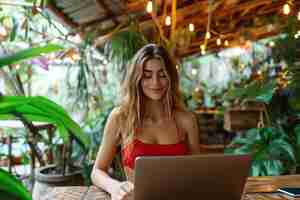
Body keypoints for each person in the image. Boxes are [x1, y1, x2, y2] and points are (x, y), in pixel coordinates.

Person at [91, 44, 200, 200]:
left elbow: (198, 171)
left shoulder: (186, 120)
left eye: (162, 75)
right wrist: (114, 186)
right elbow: (97, 171)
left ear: (170, 77)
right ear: (136, 78)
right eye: (147, 75)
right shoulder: (120, 117)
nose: (155, 83)